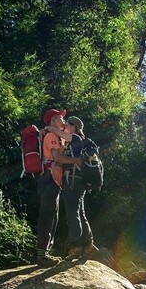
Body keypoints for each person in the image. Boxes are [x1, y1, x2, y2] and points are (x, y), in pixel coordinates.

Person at [35, 108, 82, 266]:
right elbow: (57, 158)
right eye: (61, 118)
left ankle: (45, 253)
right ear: (53, 120)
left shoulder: (56, 135)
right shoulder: (51, 136)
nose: (64, 120)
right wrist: (76, 160)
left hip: (53, 181)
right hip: (48, 180)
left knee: (52, 217)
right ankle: (41, 256)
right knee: (47, 216)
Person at [56, 116, 99, 259]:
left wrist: (51, 129)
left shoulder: (74, 137)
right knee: (80, 213)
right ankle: (89, 245)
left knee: (72, 214)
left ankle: (75, 248)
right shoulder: (80, 141)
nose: (65, 125)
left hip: (72, 180)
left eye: (67, 123)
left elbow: (63, 135)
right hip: (80, 180)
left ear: (73, 126)